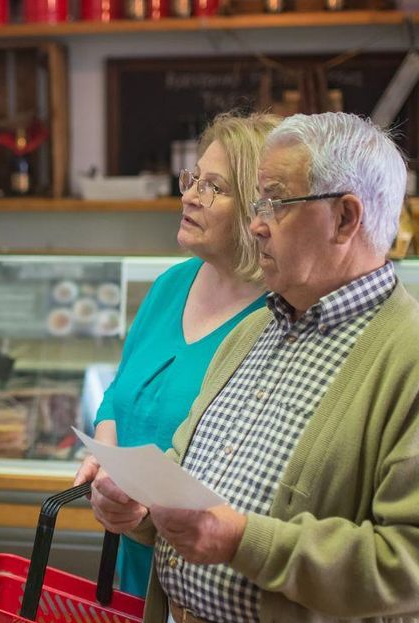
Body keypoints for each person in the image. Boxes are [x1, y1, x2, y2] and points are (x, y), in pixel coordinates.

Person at [91, 111, 419, 623]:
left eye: (274, 201)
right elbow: (185, 461)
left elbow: (408, 561)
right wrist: (138, 508)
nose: (259, 223)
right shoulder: (257, 326)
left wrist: (243, 541)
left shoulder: (408, 356)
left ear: (345, 218)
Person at [75, 112, 277, 597]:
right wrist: (107, 471)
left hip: (215, 588)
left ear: (259, 209)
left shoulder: (278, 315)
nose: (188, 196)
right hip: (137, 574)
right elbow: (118, 397)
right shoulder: (171, 285)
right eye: (193, 179)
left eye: (214, 188)